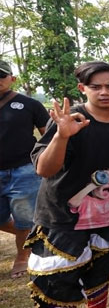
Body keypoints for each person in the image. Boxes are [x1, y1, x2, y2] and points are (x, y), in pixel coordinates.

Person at [26, 61, 109, 308]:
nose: (104, 92)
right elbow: (44, 168)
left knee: (101, 268)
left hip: (108, 212)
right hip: (62, 214)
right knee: (61, 276)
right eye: (95, 87)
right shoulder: (70, 119)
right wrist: (61, 136)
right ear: (82, 88)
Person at [0, 60, 48, 278]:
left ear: (12, 78)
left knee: (24, 217)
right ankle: (38, 235)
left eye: (2, 76)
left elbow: (48, 134)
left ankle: (22, 257)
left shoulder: (29, 104)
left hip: (24, 170)